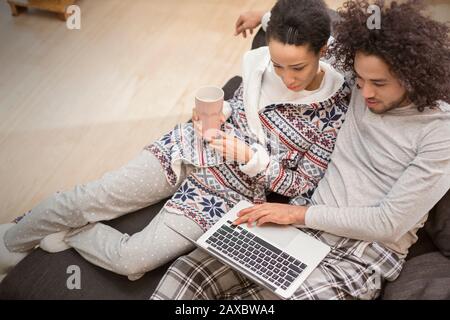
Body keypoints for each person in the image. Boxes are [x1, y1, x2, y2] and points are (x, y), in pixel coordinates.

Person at [0, 0, 350, 283]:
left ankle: (67, 233)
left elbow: (302, 182)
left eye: (298, 68)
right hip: (188, 148)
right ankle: (10, 241)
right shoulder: (268, 55)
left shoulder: (333, 108)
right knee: (88, 197)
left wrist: (251, 158)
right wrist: (222, 109)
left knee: (132, 261)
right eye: (277, 65)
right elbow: (282, 16)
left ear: (322, 50)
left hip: (224, 194)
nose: (286, 77)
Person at [150, 0, 450, 300]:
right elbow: (314, 37)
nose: (365, 92)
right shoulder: (360, 69)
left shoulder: (439, 131)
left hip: (358, 255)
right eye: (359, 80)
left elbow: (388, 223)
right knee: (187, 272)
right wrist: (267, 18)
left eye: (379, 83)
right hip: (299, 230)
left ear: (413, 75)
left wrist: (295, 214)